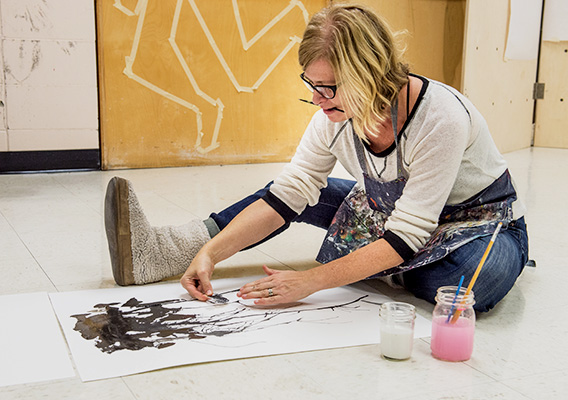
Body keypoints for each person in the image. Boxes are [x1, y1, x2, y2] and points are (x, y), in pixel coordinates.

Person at [104, 3, 529, 312]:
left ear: (371, 76)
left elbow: (408, 234)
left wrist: (312, 281)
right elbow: (287, 195)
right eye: (311, 83)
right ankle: (172, 248)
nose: (315, 98)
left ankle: (384, 265)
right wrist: (211, 254)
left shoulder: (441, 117)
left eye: (328, 87)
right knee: (294, 187)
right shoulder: (333, 114)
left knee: (479, 284)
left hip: (477, 222)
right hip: (389, 212)